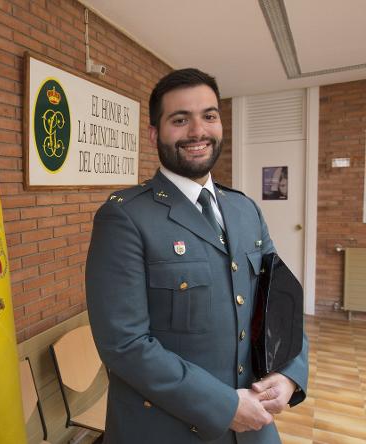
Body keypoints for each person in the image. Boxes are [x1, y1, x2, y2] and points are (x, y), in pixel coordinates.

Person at [86, 68, 308, 443]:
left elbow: (280, 305)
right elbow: (123, 344)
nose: (197, 131)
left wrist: (289, 373)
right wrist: (223, 406)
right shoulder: (124, 216)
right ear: (155, 133)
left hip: (256, 425)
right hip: (167, 430)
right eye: (180, 119)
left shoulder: (245, 210)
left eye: (209, 116)